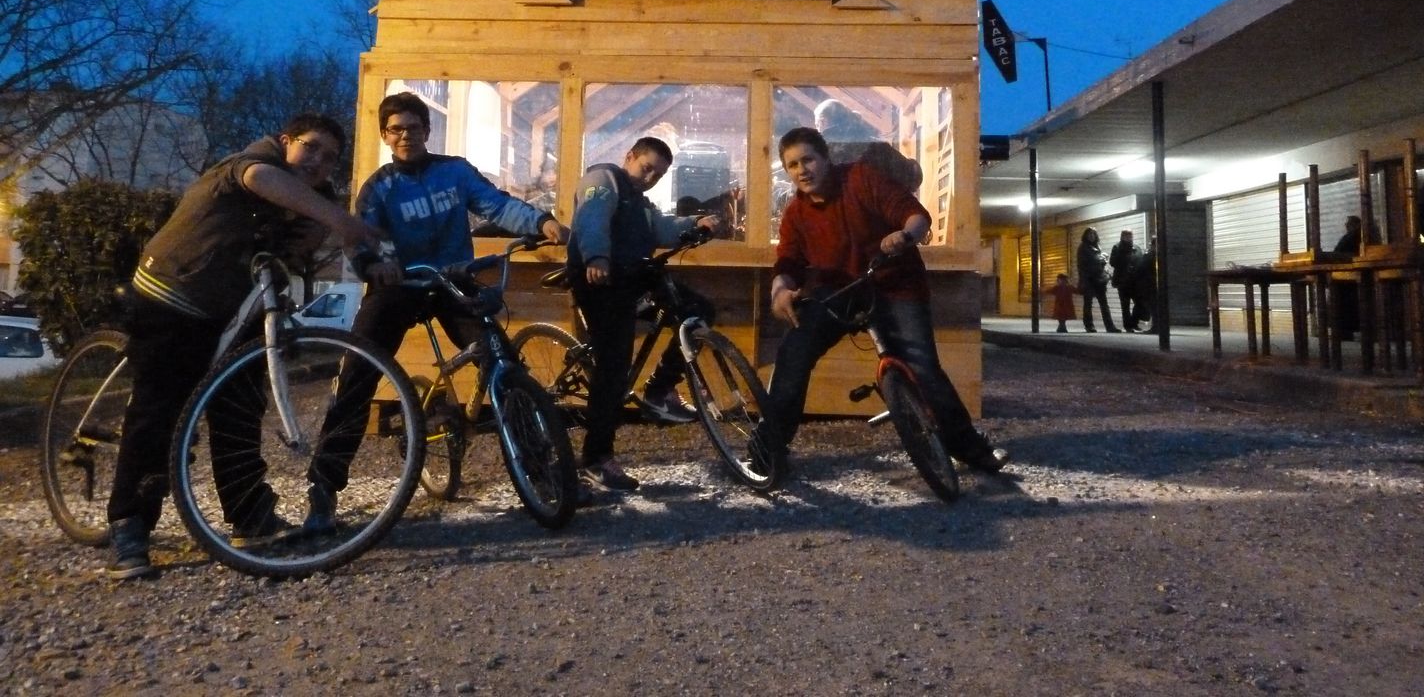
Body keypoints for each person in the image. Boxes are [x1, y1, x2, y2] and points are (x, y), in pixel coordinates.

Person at [105, 113, 382, 580]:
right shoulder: (248, 164)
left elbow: (298, 248)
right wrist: (338, 218)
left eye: (330, 157)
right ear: (285, 141)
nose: (318, 161)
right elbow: (260, 178)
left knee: (241, 407)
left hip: (234, 310)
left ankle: (250, 516)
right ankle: (129, 524)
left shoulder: (312, 196)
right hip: (174, 294)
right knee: (159, 411)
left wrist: (322, 236)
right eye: (310, 147)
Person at [304, 92, 567, 528]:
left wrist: (542, 222)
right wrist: (375, 266)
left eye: (413, 127)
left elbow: (496, 203)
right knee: (358, 371)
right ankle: (324, 487)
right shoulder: (378, 187)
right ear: (386, 136)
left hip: (453, 280)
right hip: (399, 285)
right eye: (396, 129)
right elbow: (359, 241)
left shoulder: (454, 171)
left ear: (427, 130)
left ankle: (542, 471)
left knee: (502, 361)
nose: (405, 135)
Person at [755, 127, 1007, 477]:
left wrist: (904, 236)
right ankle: (769, 449)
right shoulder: (796, 214)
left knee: (922, 367)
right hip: (840, 290)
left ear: (826, 158)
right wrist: (779, 290)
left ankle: (970, 449)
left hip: (894, 283)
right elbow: (788, 262)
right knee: (793, 354)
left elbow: (916, 215)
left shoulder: (861, 178)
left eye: (808, 159)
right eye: (792, 165)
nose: (802, 170)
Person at [567, 136, 721, 492]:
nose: (650, 177)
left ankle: (659, 391)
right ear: (629, 157)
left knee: (698, 310)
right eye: (646, 167)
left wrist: (696, 225)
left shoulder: (639, 202)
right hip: (599, 279)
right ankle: (596, 459)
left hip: (631, 276)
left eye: (658, 174)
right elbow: (592, 218)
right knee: (614, 365)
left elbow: (662, 228)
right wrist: (596, 257)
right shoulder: (603, 180)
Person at [813, 98, 922, 194]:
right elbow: (913, 175)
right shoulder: (877, 147)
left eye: (817, 124)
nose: (817, 129)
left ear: (823, 122)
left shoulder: (818, 156)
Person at [1076, 227, 1120, 333]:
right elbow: (1083, 264)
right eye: (1090, 234)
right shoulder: (1083, 248)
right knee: (1088, 303)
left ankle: (1110, 326)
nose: (1092, 236)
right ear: (1086, 236)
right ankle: (1089, 326)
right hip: (1089, 279)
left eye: (1093, 234)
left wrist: (1103, 260)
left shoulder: (1097, 247)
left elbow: (1098, 264)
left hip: (1099, 279)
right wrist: (1098, 260)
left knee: (1104, 304)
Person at [1109, 229, 1140, 332]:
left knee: (1139, 302)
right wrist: (1121, 254)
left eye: (1130, 235)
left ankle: (1134, 323)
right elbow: (1112, 262)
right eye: (1126, 236)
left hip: (1135, 281)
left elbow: (1140, 260)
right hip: (1122, 281)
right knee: (1125, 305)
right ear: (1122, 237)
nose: (1129, 237)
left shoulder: (1136, 248)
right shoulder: (1117, 247)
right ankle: (1128, 326)